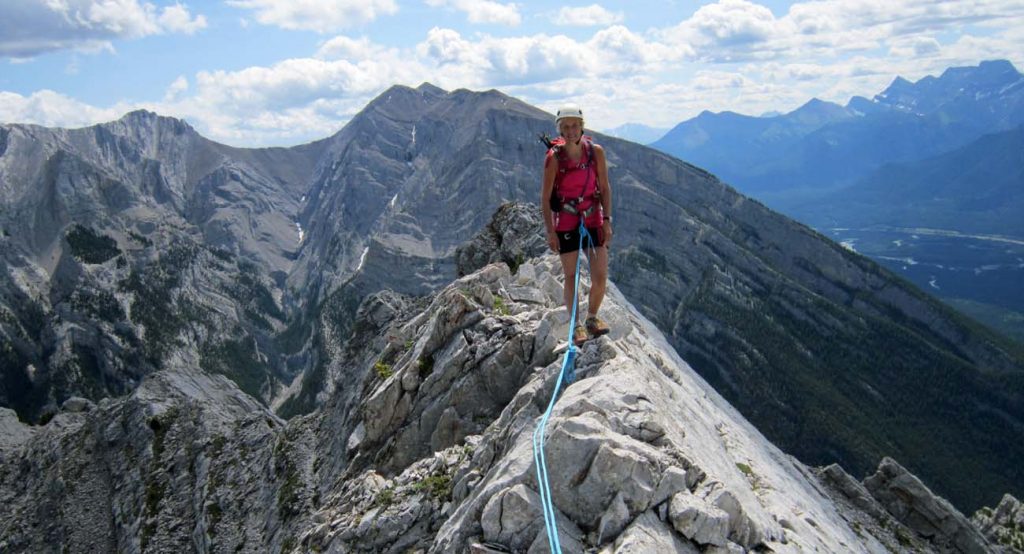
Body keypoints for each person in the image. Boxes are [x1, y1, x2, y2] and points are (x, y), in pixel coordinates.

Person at [540, 103, 613, 346]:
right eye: (566, 127)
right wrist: (550, 231)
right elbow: (545, 196)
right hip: (568, 221)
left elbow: (604, 188)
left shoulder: (596, 152)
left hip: (593, 217)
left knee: (600, 276)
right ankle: (576, 326)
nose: (570, 130)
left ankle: (592, 317)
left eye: (575, 126)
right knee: (570, 275)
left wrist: (607, 220)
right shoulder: (554, 158)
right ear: (560, 129)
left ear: (582, 127)